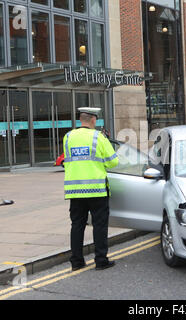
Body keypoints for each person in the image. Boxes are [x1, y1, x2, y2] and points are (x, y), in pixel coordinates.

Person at [63, 107, 119, 271]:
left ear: (81, 119)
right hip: (96, 190)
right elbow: (113, 162)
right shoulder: (98, 137)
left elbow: (68, 161)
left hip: (75, 190)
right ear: (93, 120)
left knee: (77, 225)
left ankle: (77, 262)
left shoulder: (68, 137)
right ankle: (101, 261)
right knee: (99, 225)